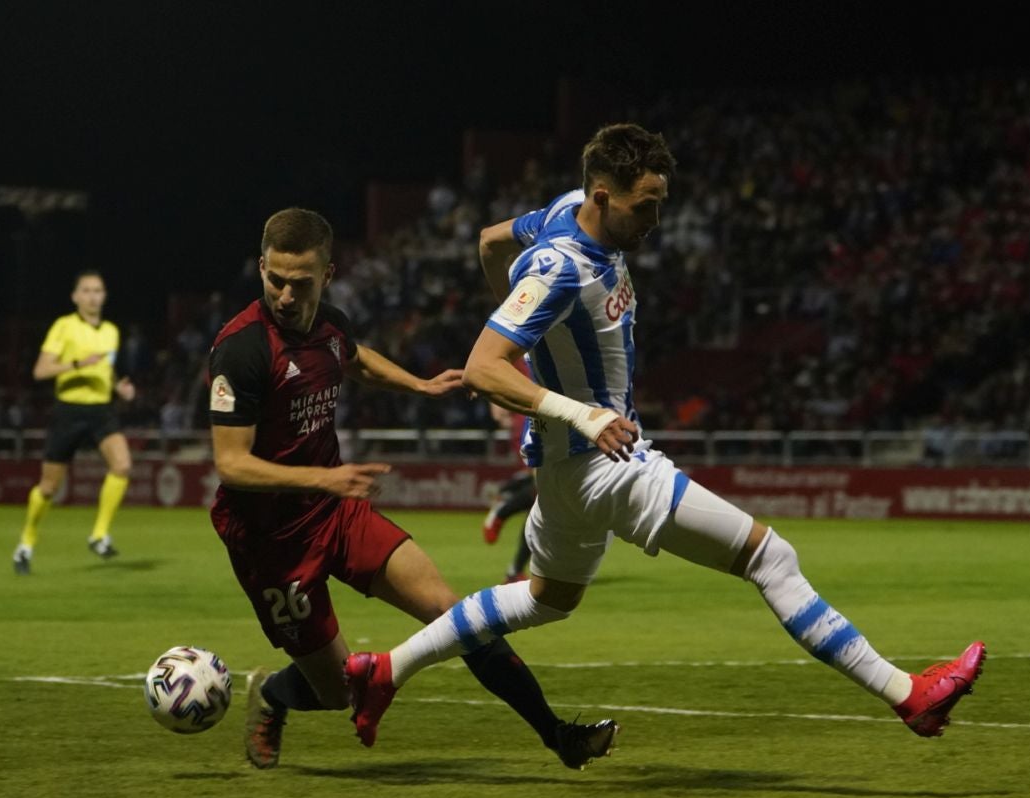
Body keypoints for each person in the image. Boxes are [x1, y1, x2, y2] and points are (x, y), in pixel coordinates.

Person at [345, 123, 986, 750]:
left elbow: (489, 242)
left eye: (660, 203)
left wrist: (535, 342)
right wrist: (582, 410)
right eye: (644, 206)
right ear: (603, 196)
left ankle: (386, 670)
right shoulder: (558, 267)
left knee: (546, 598)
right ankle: (910, 695)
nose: (655, 220)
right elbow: (485, 367)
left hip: (565, 475)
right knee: (771, 557)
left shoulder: (563, 210)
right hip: (608, 461)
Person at [208, 207, 617, 771]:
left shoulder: (330, 324)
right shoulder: (242, 349)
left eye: (299, 283)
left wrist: (420, 385)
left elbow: (355, 360)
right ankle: (274, 693)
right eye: (274, 279)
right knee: (335, 692)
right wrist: (324, 476)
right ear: (261, 268)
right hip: (269, 542)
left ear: (327, 275)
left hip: (335, 512)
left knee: (455, 615)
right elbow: (231, 464)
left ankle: (557, 736)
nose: (284, 294)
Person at [12, 270, 136, 574]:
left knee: (122, 465)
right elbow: (40, 371)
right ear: (75, 297)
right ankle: (26, 543)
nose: (93, 296)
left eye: (98, 290)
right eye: (87, 291)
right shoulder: (63, 327)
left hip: (102, 411)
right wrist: (78, 364)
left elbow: (105, 371)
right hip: (68, 411)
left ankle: (99, 535)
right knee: (48, 487)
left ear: (104, 296)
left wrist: (119, 388)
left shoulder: (110, 331)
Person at [482, 373, 535, 583]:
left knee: (540, 504)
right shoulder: (529, 347)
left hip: (536, 415)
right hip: (535, 417)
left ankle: (515, 571)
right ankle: (503, 509)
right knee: (542, 500)